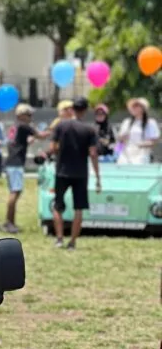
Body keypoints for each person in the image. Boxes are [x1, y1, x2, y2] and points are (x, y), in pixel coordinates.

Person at [48, 97, 101, 249]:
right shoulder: (90, 130)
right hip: (80, 173)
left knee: (57, 205)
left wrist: (58, 152)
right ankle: (72, 242)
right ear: (85, 110)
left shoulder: (61, 125)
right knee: (79, 208)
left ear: (72, 109)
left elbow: (53, 147)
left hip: (62, 170)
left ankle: (59, 238)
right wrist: (98, 177)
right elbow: (93, 154)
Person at [3, 103, 48, 233]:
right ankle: (9, 222)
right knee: (15, 192)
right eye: (29, 114)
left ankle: (9, 222)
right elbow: (41, 136)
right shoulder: (24, 126)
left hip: (11, 162)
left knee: (14, 191)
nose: (31, 117)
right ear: (22, 115)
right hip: (16, 163)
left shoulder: (15, 126)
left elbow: (19, 142)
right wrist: (52, 130)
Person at [117, 97, 160, 165]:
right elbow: (120, 141)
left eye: (136, 106)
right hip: (125, 155)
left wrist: (140, 145)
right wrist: (117, 153)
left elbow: (154, 141)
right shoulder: (126, 122)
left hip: (142, 155)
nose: (133, 108)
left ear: (143, 109)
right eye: (133, 106)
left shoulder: (151, 122)